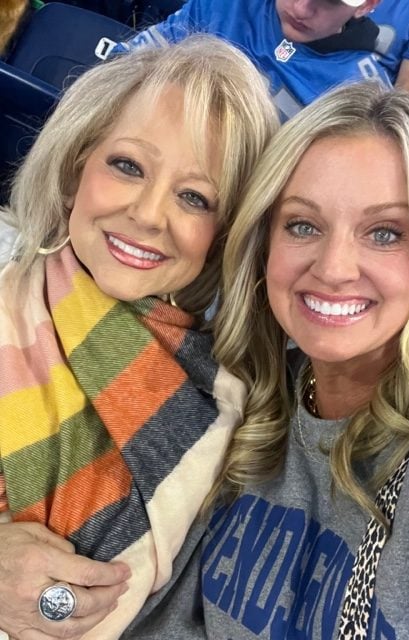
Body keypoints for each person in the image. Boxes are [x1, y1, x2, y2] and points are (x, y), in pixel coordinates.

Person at [121, 82, 409, 639]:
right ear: (263, 244)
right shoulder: (238, 397)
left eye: (385, 233)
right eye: (303, 225)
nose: (334, 268)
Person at [0, 34, 278, 640]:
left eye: (194, 197)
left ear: (225, 234)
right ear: (75, 169)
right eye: (128, 166)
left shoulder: (238, 388)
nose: (150, 215)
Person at [113, 0, 409, 119]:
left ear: (367, 6)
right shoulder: (225, 5)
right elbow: (122, 66)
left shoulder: (356, 95)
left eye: (329, 0)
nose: (301, 8)